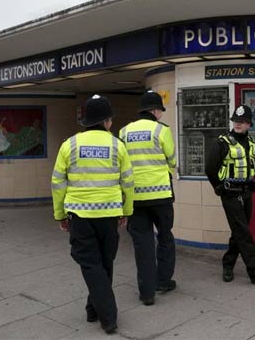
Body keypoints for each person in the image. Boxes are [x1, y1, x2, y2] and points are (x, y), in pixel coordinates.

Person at [51, 94, 135, 335]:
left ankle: (104, 314)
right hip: (109, 214)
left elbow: (58, 183)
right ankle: (98, 312)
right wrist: (126, 211)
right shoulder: (118, 145)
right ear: (107, 121)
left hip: (80, 215)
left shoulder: (70, 145)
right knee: (103, 262)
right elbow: (128, 183)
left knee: (91, 264)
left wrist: (60, 215)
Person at [204, 105, 255, 284]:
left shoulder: (252, 142)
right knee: (243, 232)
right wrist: (218, 187)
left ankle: (228, 264)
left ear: (249, 124)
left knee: (239, 232)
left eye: (242, 121)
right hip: (229, 194)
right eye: (236, 120)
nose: (238, 124)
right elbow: (210, 168)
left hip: (246, 192)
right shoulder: (222, 142)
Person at [119, 90, 177, 306]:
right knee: (165, 237)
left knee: (142, 244)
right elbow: (171, 160)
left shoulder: (124, 132)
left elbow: (122, 163)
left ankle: (146, 293)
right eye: (160, 110)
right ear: (154, 111)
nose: (161, 113)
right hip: (161, 195)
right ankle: (163, 281)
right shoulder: (162, 130)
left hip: (135, 198)